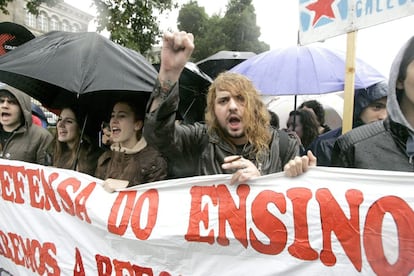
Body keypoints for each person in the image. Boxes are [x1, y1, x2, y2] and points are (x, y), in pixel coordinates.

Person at [144, 31, 316, 184]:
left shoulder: (283, 146)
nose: (232, 106)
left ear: (254, 105)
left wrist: (305, 177)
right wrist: (169, 73)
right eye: (223, 100)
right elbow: (156, 133)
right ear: (212, 110)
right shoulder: (198, 141)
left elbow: (295, 206)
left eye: (240, 99)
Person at [331, 36, 414, 170]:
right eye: (377, 107)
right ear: (399, 78)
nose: (382, 115)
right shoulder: (354, 145)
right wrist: (308, 176)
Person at [310, 80, 388, 166]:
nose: (384, 116)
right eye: (377, 107)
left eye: (390, 108)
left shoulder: (397, 144)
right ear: (360, 107)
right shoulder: (326, 145)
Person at [95, 100, 168, 190]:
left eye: (122, 116)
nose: (114, 121)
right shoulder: (105, 159)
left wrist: (128, 186)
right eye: (112, 115)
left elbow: (156, 198)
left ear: (137, 125)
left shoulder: (154, 161)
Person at [0, 83, 53, 165]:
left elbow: (47, 173)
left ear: (23, 107)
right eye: (1, 101)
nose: (5, 105)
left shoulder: (41, 136)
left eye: (12, 102)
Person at [52, 106, 102, 176]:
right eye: (60, 119)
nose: (60, 125)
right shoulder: (56, 152)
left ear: (80, 128)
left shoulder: (94, 157)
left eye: (68, 121)